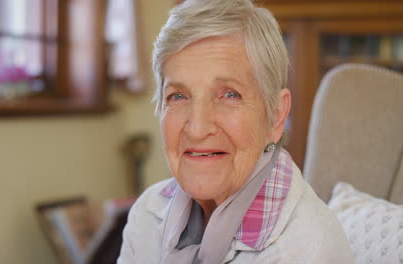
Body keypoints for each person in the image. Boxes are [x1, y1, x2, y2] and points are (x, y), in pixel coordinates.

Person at [117, 0, 354, 263]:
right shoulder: (147, 213)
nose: (197, 129)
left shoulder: (306, 250)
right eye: (178, 96)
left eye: (230, 95)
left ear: (276, 116)